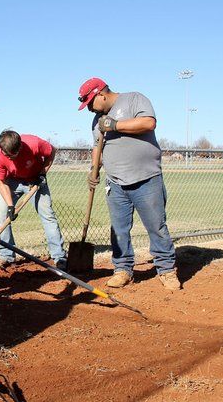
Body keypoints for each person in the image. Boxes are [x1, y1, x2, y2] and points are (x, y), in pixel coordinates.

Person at [77, 77, 181, 290]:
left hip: (146, 179)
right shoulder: (97, 120)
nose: (89, 109)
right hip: (115, 183)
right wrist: (93, 170)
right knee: (119, 230)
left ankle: (167, 270)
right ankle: (123, 269)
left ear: (101, 94)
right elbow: (97, 146)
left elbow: (148, 123)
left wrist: (115, 125)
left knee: (157, 227)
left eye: (90, 103)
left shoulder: (134, 99)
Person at [0, 130, 68, 270]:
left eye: (12, 156)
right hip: (11, 182)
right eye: (6, 155)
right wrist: (10, 206)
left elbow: (52, 152)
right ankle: (7, 256)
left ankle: (59, 257)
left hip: (35, 180)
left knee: (48, 215)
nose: (9, 159)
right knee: (3, 215)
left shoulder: (34, 143)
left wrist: (43, 173)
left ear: (19, 148)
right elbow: (2, 182)